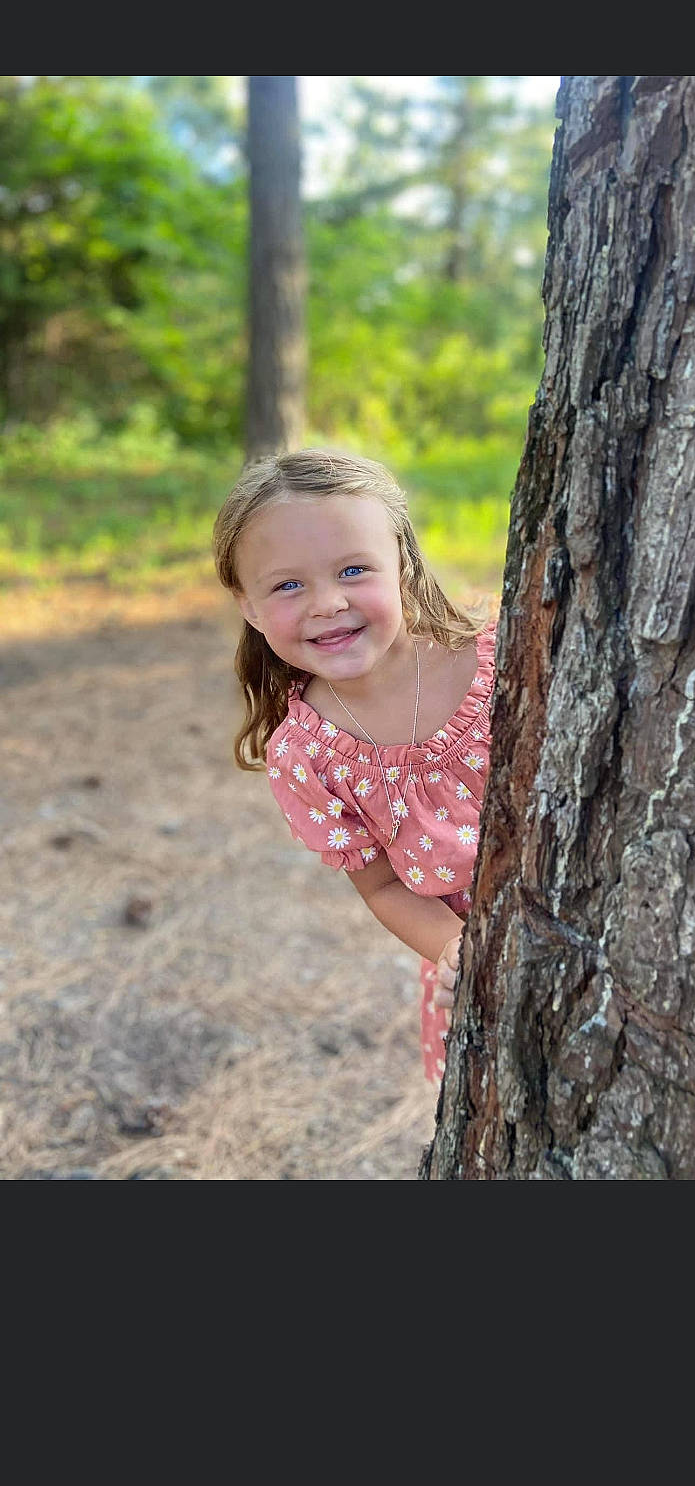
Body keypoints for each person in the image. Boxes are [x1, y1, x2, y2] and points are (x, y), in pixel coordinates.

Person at [212, 447, 496, 1085]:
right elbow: (384, 887)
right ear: (249, 606)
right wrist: (462, 954)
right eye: (288, 584)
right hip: (480, 962)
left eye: (352, 569)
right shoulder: (305, 757)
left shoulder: (500, 655)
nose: (327, 603)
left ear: (402, 561)